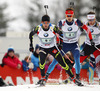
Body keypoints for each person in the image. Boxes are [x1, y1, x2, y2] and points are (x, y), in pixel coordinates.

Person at [43, 8, 94, 86]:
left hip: (74, 44)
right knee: (55, 61)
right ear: (65, 15)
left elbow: (87, 29)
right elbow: (56, 32)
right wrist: (58, 42)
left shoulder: (77, 22)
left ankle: (77, 77)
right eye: (67, 15)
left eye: (70, 15)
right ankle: (45, 77)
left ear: (73, 15)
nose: (69, 17)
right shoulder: (61, 23)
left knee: (77, 59)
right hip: (64, 45)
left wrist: (91, 40)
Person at [29, 15, 77, 86]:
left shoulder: (53, 27)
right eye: (44, 23)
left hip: (52, 47)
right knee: (41, 63)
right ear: (42, 22)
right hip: (43, 48)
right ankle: (43, 79)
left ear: (49, 22)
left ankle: (73, 78)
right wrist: (31, 45)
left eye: (47, 22)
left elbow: (61, 34)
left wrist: (60, 44)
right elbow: (31, 34)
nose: (46, 24)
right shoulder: (38, 28)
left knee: (63, 63)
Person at [80, 11, 100, 84]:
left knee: (97, 63)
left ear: (95, 19)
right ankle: (72, 77)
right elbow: (78, 31)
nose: (90, 22)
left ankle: (96, 79)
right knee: (78, 60)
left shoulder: (99, 25)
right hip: (88, 46)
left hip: (97, 46)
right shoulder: (85, 24)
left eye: (92, 20)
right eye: (89, 20)